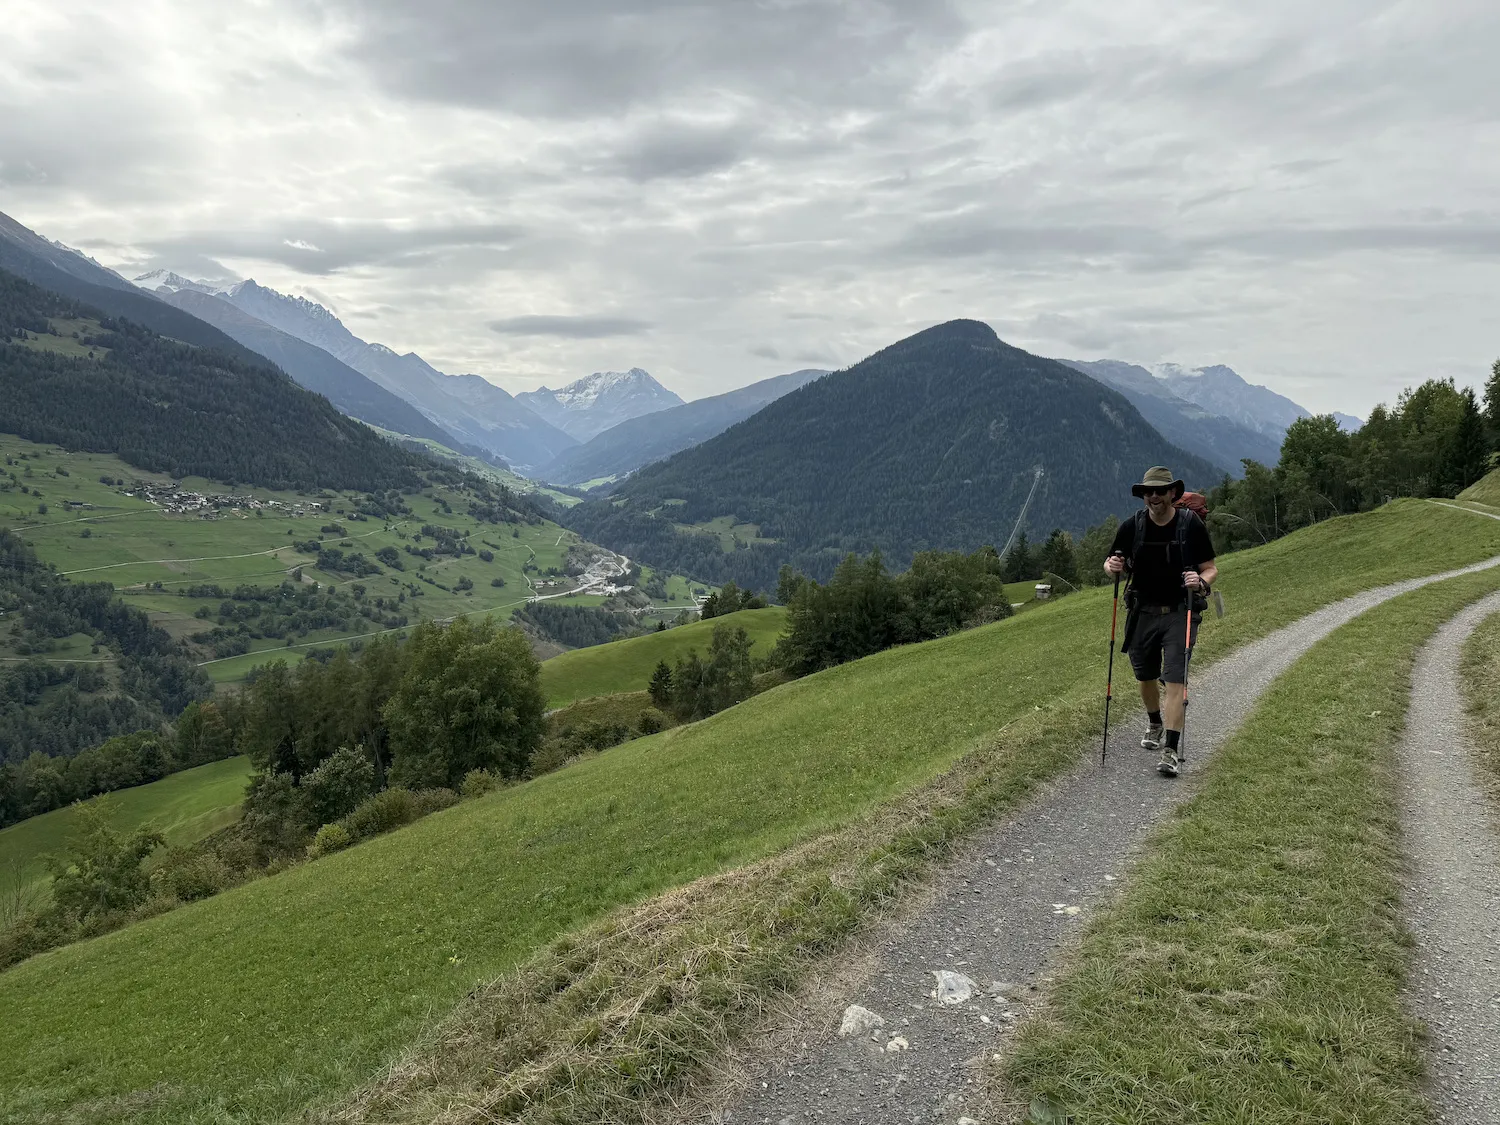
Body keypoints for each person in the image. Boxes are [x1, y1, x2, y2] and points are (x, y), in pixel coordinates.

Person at [1103, 466, 1218, 777]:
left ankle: (1171, 750)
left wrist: (1202, 582)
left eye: (1160, 491)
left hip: (1180, 612)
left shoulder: (1189, 524)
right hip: (1142, 612)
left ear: (1172, 493)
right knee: (1145, 675)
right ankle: (1154, 722)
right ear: (1143, 496)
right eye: (1148, 492)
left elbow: (1210, 568)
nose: (1153, 496)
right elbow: (1113, 564)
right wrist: (1112, 565)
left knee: (1176, 680)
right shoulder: (1133, 527)